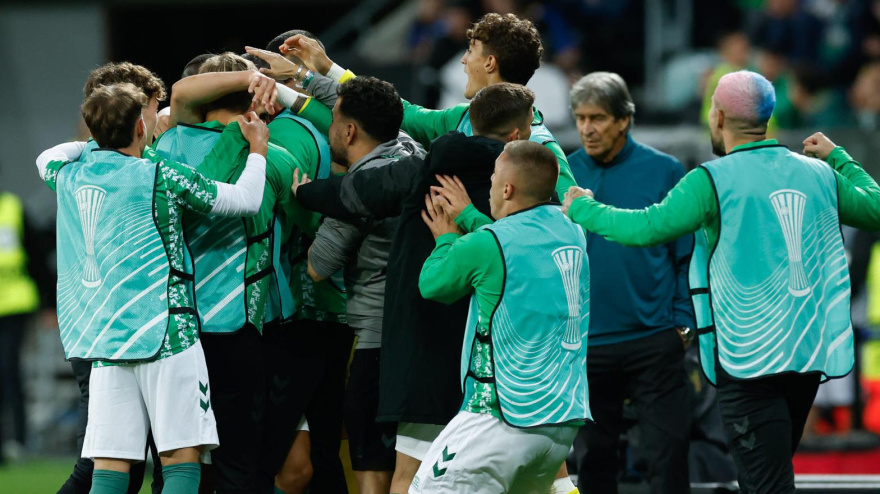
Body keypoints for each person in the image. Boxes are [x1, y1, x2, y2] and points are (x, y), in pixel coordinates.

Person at [562, 70, 880, 493]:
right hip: (805, 356)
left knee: (765, 483)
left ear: (719, 117)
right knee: (769, 472)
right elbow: (875, 208)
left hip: (747, 358)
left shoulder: (709, 180)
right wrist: (838, 156)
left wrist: (582, 208)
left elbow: (644, 228)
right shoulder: (817, 173)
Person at [294, 82, 535, 494]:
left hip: (409, 347)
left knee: (398, 474)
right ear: (516, 134)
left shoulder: (428, 168)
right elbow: (521, 256)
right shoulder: (531, 185)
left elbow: (357, 200)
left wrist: (305, 193)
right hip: (493, 358)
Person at [36, 82, 270, 494]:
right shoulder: (160, 174)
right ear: (141, 128)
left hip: (107, 342)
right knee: (180, 459)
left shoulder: (68, 176)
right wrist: (258, 150)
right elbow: (245, 200)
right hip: (168, 335)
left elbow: (47, 156)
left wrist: (96, 141)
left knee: (110, 466)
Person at [153, 52, 306, 494]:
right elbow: (305, 225)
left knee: (175, 463)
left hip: (174, 328)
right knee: (239, 464)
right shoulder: (275, 158)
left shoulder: (165, 148)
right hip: (239, 329)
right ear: (251, 97)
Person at [411, 140, 589, 493]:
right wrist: (470, 216)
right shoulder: (572, 229)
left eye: (494, 176)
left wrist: (446, 239)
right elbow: (517, 245)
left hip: (497, 417)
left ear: (507, 189)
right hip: (561, 421)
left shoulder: (485, 244)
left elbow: (432, 284)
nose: (490, 184)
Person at [274, 12, 578, 201]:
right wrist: (327, 69)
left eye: (471, 50)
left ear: (489, 62)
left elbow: (569, 216)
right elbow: (397, 111)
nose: (463, 60)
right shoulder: (462, 118)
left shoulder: (539, 145)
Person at [565, 72, 694, 494]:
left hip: (654, 340)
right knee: (593, 463)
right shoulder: (564, 173)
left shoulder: (666, 171)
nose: (587, 128)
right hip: (587, 344)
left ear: (624, 120)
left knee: (668, 457)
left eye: (598, 118)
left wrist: (682, 322)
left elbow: (686, 255)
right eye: (581, 118)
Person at [302, 76, 424, 494]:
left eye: (334, 121)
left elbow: (318, 267)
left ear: (350, 131)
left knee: (373, 462)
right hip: (427, 335)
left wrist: (304, 197)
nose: (329, 129)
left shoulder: (358, 192)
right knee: (414, 462)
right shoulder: (411, 150)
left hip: (378, 340)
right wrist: (303, 81)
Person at [59, 61, 169, 494]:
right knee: (104, 466)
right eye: (152, 108)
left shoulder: (76, 165)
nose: (157, 118)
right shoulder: (131, 171)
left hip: (100, 327)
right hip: (117, 329)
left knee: (122, 465)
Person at [257, 30, 353, 494]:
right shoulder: (336, 128)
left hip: (296, 311)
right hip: (335, 311)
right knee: (319, 459)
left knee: (274, 459)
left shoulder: (287, 133)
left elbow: (295, 210)